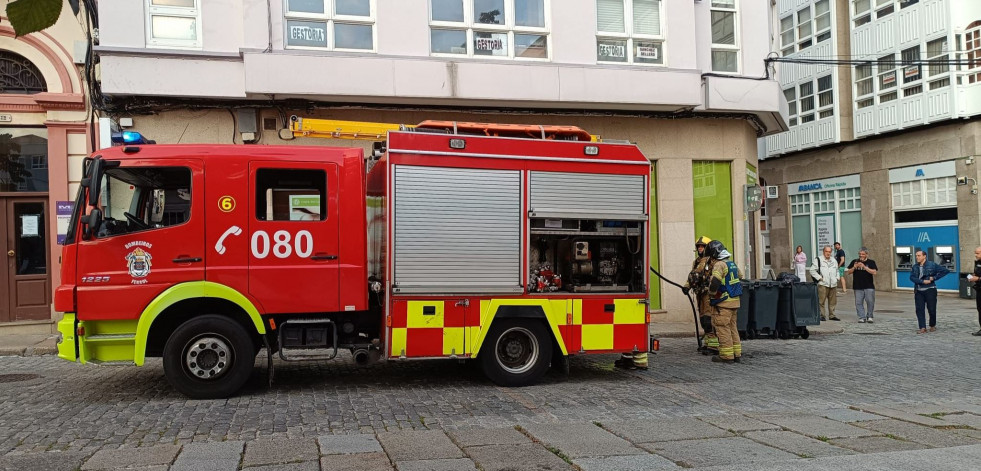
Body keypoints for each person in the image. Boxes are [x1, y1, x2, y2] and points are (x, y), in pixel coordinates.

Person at [705, 240, 742, 364]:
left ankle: (726, 356)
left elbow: (715, 281)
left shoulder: (719, 265)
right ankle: (736, 354)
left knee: (722, 328)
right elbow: (740, 276)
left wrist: (710, 293)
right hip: (735, 301)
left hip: (723, 303)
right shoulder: (732, 264)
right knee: (732, 328)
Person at [683, 236, 717, 354]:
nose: (700, 248)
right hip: (699, 293)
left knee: (708, 319)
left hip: (708, 293)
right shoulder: (696, 261)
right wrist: (687, 286)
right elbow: (693, 276)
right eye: (699, 246)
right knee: (702, 319)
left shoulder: (712, 261)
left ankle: (714, 346)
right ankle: (708, 343)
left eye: (703, 246)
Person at [910, 250, 949, 334]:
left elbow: (945, 271)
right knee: (919, 309)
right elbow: (912, 277)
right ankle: (922, 327)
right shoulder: (915, 267)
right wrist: (922, 281)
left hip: (930, 289)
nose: (917, 257)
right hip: (919, 290)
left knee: (931, 308)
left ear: (924, 256)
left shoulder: (932, 265)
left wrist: (934, 278)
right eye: (916, 255)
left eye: (919, 255)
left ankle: (932, 325)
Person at [846, 247, 878, 323]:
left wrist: (864, 267)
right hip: (857, 286)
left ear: (866, 254)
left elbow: (874, 272)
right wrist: (854, 267)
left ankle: (869, 316)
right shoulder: (854, 261)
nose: (861, 255)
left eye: (863, 254)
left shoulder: (871, 262)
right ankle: (861, 317)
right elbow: (848, 272)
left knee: (870, 301)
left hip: (869, 285)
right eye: (860, 254)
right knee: (858, 302)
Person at [809, 246, 841, 321]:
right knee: (821, 301)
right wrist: (819, 278)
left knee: (833, 301)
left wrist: (837, 278)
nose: (828, 253)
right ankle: (822, 315)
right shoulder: (818, 260)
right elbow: (812, 270)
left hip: (833, 284)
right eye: (827, 251)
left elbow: (837, 270)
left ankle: (832, 315)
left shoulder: (834, 260)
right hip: (823, 284)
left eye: (830, 252)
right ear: (823, 252)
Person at [966, 246, 981, 336]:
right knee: (980, 310)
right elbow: (976, 273)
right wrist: (972, 276)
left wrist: (978, 278)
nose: (975, 255)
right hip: (979, 289)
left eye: (977, 253)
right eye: (975, 253)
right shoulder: (977, 262)